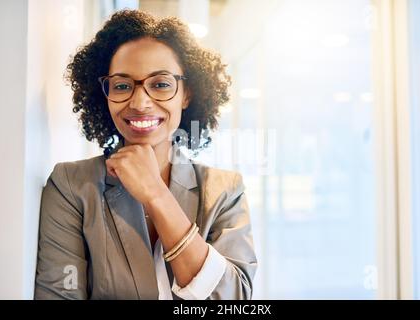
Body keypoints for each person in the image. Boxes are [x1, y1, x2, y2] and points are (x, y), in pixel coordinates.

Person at [34, 9, 257, 300]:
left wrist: (157, 195)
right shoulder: (72, 185)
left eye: (161, 84)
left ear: (186, 94)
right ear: (105, 94)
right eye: (122, 85)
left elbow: (234, 298)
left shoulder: (224, 191)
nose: (140, 103)